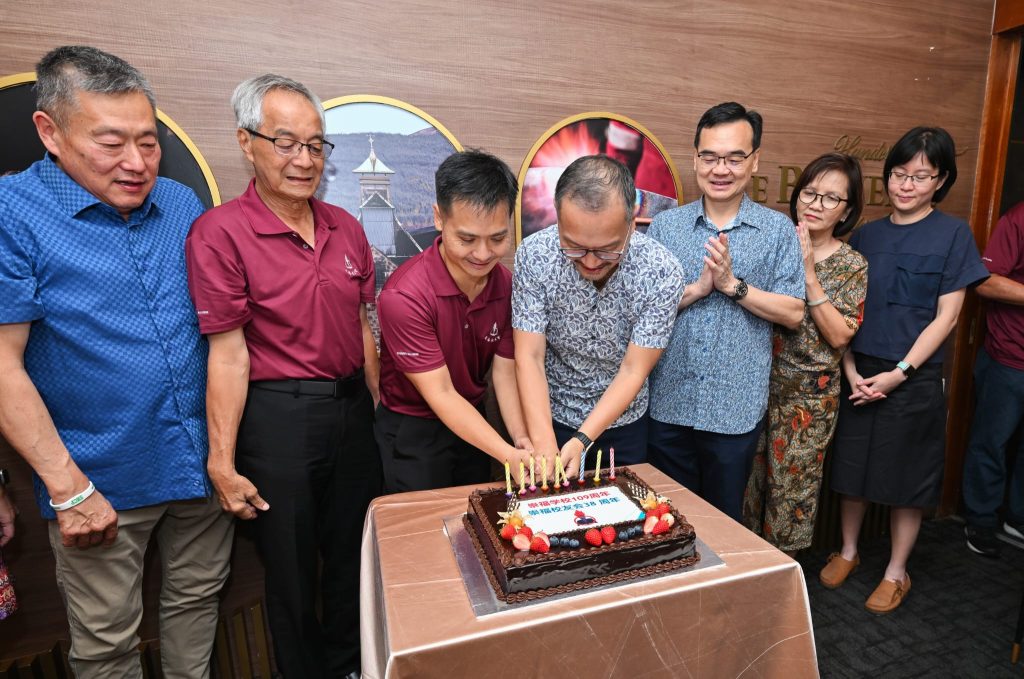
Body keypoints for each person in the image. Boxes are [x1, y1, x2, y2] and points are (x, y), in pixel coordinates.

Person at [0, 46, 232, 677]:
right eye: (111, 143)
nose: (136, 163)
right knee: (107, 643)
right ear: (50, 132)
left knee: (198, 604)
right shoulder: (12, 212)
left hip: (201, 466)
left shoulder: (180, 203)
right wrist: (69, 488)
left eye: (148, 142)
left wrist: (223, 454)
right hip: (99, 478)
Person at [186, 74, 378, 678]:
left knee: (355, 557)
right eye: (286, 142)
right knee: (291, 573)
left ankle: (352, 667)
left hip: (353, 412)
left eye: (315, 145)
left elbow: (362, 327)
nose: (304, 159)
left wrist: (374, 409)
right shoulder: (219, 233)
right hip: (278, 420)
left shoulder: (347, 227)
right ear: (246, 142)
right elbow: (227, 355)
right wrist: (222, 461)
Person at [820, 127, 988, 614]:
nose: (906, 185)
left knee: (907, 481)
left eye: (920, 176)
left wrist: (900, 372)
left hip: (912, 378)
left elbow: (947, 317)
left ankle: (896, 572)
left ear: (941, 180)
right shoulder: (866, 235)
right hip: (859, 372)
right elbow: (845, 312)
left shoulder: (953, 235)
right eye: (898, 174)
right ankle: (848, 550)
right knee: (852, 469)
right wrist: (850, 369)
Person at [647, 102, 805, 522]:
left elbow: (794, 312)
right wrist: (698, 290)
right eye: (710, 157)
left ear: (755, 161)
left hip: (734, 411)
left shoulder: (777, 230)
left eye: (735, 158)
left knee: (723, 524)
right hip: (668, 403)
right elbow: (644, 309)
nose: (721, 169)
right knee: (664, 521)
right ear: (695, 159)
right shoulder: (666, 227)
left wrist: (734, 286)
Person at [513, 154, 684, 479]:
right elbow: (529, 355)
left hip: (624, 423)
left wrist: (583, 439)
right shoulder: (534, 256)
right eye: (574, 246)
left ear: (632, 224)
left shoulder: (662, 272)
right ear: (559, 220)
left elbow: (634, 369)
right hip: (549, 415)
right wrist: (544, 440)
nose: (591, 262)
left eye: (607, 250)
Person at [374, 150, 532, 491]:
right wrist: (506, 455)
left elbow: (504, 372)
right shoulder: (405, 296)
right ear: (438, 218)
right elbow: (442, 393)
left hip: (475, 424)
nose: (483, 254)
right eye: (467, 239)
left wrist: (520, 439)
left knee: (476, 515)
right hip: (415, 429)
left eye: (497, 238)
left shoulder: (506, 285)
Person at [742, 153, 868, 554]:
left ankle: (781, 579)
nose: (815, 204)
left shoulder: (851, 264)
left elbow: (839, 336)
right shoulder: (773, 244)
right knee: (746, 488)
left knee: (789, 495)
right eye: (809, 193)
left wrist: (810, 275)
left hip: (808, 402)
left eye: (831, 198)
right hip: (755, 386)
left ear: (846, 211)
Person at [961, 201, 1024, 557]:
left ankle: (1018, 518)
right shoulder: (1019, 219)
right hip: (1010, 356)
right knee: (991, 441)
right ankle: (981, 519)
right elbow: (984, 281)